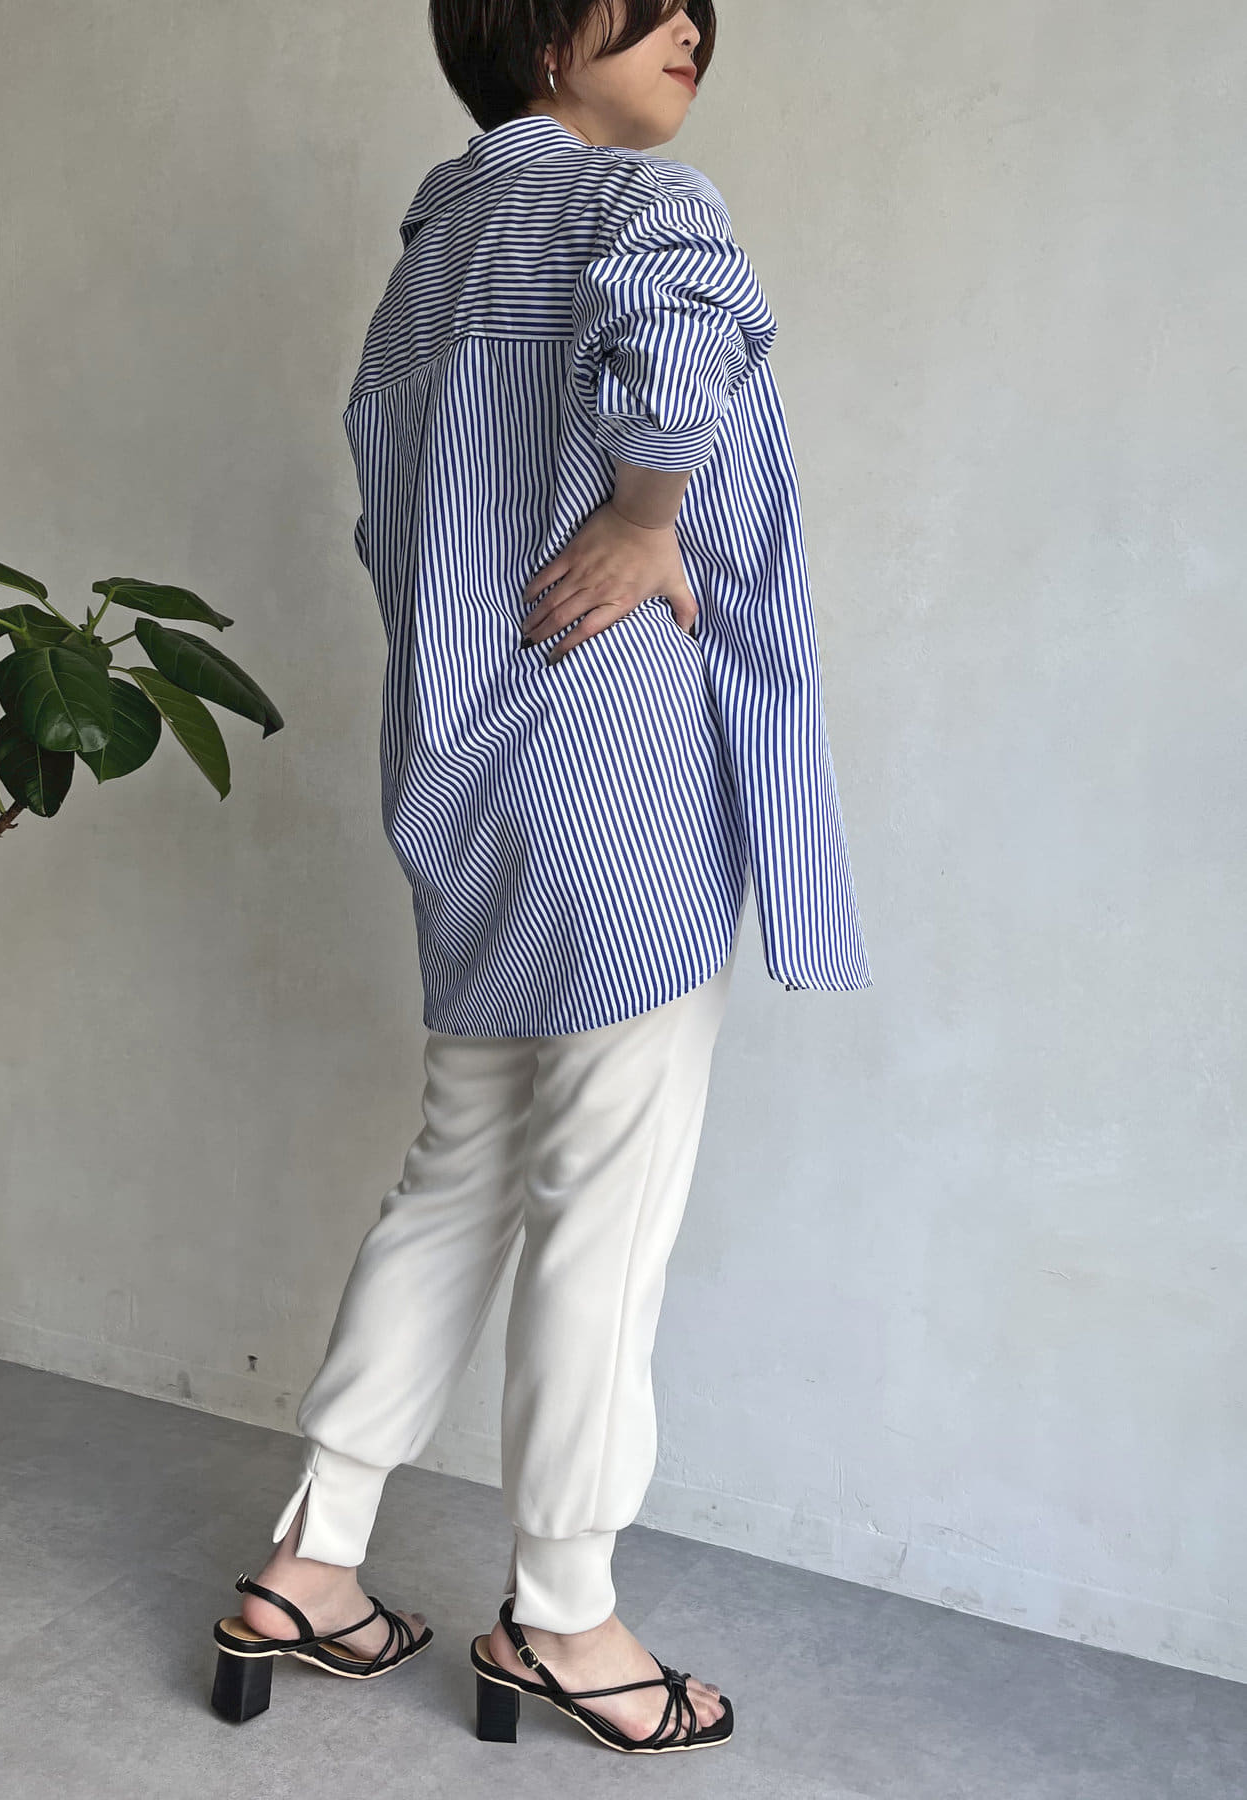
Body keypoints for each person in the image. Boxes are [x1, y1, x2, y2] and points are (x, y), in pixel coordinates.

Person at [209, 0, 870, 1756]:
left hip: (466, 770)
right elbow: (683, 347)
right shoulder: (633, 202)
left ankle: (311, 1561)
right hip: (617, 770)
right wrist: (647, 521)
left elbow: (392, 527)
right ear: (541, 37)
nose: (690, 30)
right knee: (606, 1207)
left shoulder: (426, 264)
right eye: (644, 5)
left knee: (458, 1171)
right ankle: (567, 1617)